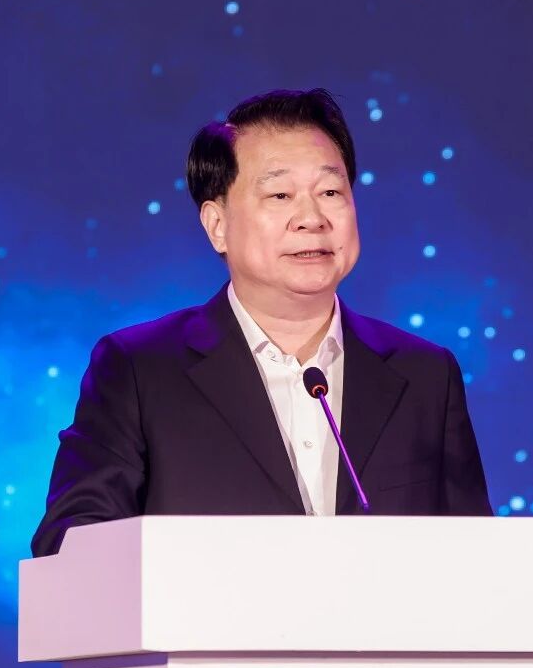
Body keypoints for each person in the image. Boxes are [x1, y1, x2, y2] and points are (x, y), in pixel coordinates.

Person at [30, 88, 491, 557]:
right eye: (280, 195)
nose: (311, 218)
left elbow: (479, 560)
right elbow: (70, 544)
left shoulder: (426, 374)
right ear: (217, 225)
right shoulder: (138, 369)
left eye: (330, 192)